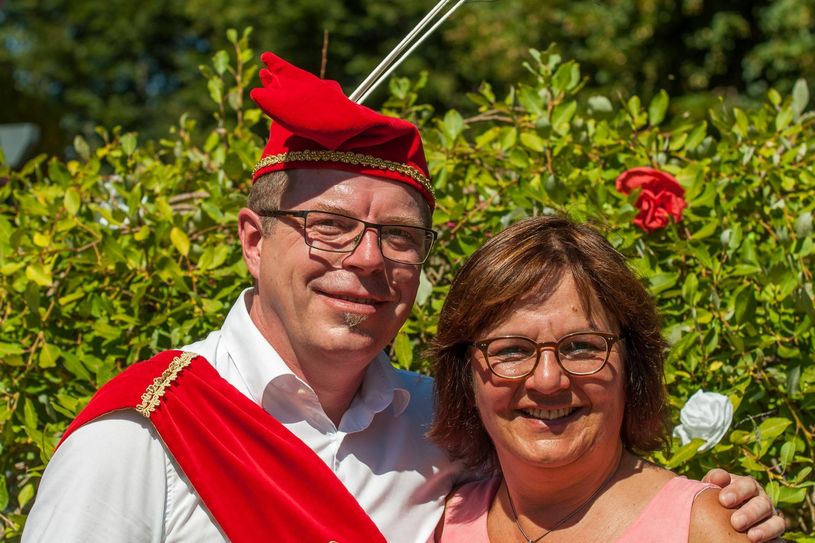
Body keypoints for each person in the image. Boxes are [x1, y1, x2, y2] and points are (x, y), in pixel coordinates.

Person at [22, 55, 783, 543]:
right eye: (328, 226)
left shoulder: (445, 426)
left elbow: (592, 475)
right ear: (253, 240)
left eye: (398, 237)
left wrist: (720, 510)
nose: (364, 259)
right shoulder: (138, 439)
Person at [428, 215, 775, 542]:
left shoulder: (703, 530)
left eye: (580, 347)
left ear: (632, 365)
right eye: (512, 351)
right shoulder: (442, 522)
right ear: (465, 375)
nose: (548, 380)